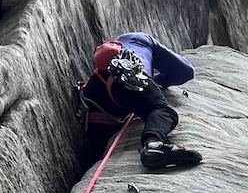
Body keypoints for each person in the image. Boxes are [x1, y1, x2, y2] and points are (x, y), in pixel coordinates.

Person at [81, 34, 203, 172]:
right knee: (163, 111)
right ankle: (154, 145)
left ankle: (86, 165)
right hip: (133, 81)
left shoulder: (110, 54)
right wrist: (159, 82)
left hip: (97, 94)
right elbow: (185, 71)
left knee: (96, 147)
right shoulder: (143, 39)